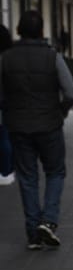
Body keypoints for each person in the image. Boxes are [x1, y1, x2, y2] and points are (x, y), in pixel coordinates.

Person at [0, 11, 73, 249]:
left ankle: (33, 233)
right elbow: (71, 92)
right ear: (42, 30)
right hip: (50, 124)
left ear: (19, 29)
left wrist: (9, 110)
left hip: (18, 126)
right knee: (55, 172)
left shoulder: (5, 58)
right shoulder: (52, 57)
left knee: (27, 176)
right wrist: (61, 111)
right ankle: (49, 221)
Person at [0, 25, 15, 185]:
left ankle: (5, 170)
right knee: (6, 135)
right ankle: (7, 170)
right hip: (8, 103)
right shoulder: (9, 57)